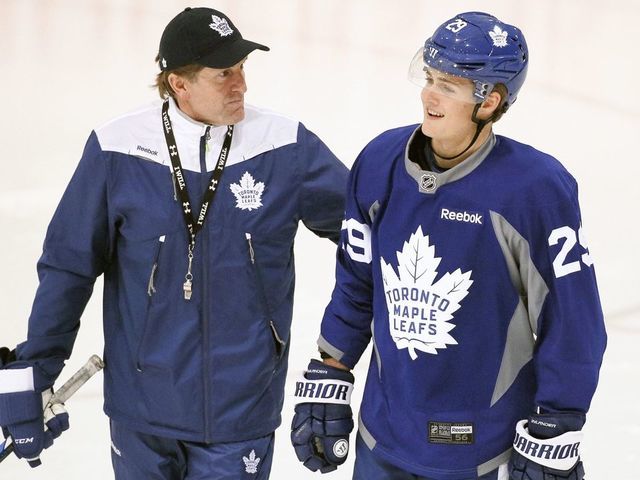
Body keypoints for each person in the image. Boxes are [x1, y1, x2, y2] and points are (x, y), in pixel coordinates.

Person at [0, 6, 348, 479]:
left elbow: (367, 234)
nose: (241, 84)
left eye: (243, 68)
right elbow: (69, 266)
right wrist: (35, 372)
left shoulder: (284, 146)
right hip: (141, 413)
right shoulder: (117, 148)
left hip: (240, 411)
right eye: (224, 73)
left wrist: (337, 360)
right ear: (178, 83)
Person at [291, 11, 606, 480]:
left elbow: (572, 318)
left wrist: (557, 422)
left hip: (484, 448)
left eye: (449, 86)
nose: (428, 95)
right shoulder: (380, 163)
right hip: (384, 437)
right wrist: (331, 367)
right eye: (430, 77)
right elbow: (357, 281)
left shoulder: (534, 189)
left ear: (489, 101)